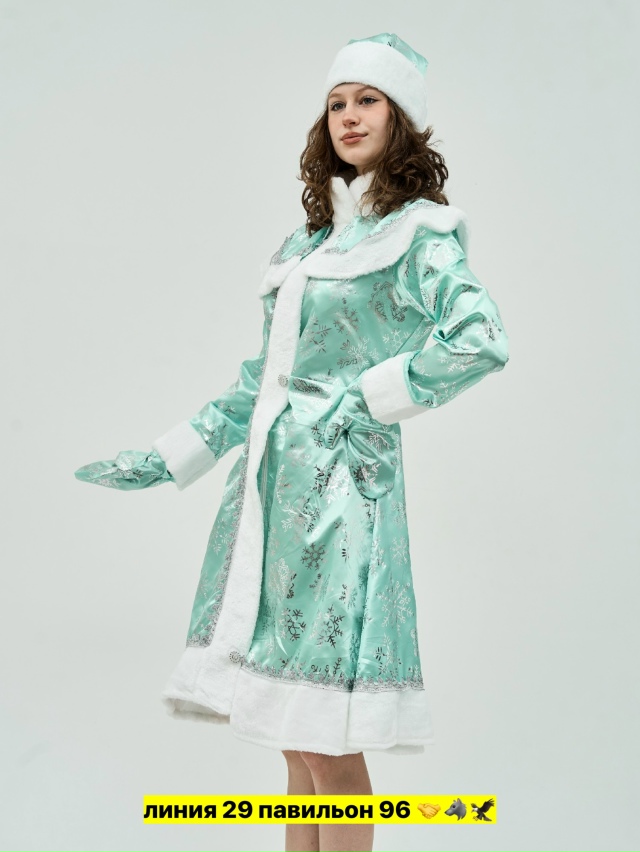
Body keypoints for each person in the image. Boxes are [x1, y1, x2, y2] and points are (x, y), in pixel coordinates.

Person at [75, 32, 509, 852]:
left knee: (327, 742)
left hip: (343, 494)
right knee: (291, 739)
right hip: (271, 498)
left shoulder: (420, 234)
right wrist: (169, 456)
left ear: (402, 117)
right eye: (337, 102)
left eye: (368, 100)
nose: (349, 115)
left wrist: (366, 399)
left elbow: (479, 338)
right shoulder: (307, 247)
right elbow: (262, 382)